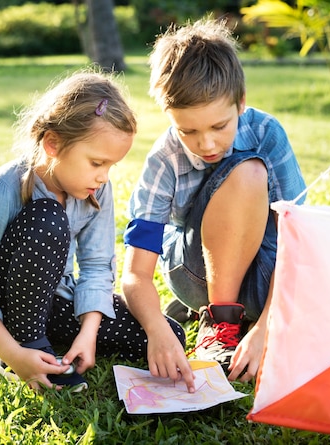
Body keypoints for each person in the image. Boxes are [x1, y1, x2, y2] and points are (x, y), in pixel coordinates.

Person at [0, 71, 186, 393]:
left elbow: (97, 266)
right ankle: (23, 349)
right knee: (49, 218)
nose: (103, 177)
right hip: (4, 308)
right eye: (97, 163)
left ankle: (51, 339)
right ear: (53, 144)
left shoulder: (97, 190)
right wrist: (13, 353)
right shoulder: (2, 189)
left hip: (55, 300)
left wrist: (88, 333)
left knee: (167, 335)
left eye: (111, 166)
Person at [120, 18, 306, 393]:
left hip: (267, 276)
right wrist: (156, 328)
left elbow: (300, 242)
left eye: (220, 126)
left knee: (250, 168)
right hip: (195, 274)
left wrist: (269, 322)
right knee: (248, 172)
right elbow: (137, 273)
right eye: (188, 130)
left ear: (241, 102)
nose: (206, 144)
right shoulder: (164, 160)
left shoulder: (267, 133)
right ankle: (220, 323)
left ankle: (250, 316)